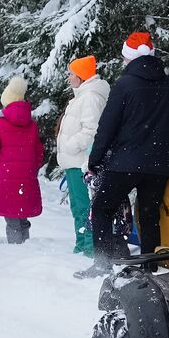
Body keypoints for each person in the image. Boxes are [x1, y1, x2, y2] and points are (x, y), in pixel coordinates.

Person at [79, 31, 169, 277]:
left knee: (101, 209)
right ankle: (150, 266)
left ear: (128, 59)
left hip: (124, 163)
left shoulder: (125, 85)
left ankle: (102, 262)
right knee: (150, 215)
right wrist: (166, 152)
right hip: (158, 166)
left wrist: (95, 160)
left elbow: (107, 127)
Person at [55, 55, 109, 256]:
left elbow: (91, 130)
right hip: (73, 161)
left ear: (81, 76)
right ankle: (81, 244)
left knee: (85, 206)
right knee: (78, 206)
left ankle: (89, 247)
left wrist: (69, 145)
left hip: (81, 161)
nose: (69, 78)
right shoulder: (81, 96)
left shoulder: (90, 98)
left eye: (71, 74)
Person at [0, 76, 43, 244]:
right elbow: (38, 151)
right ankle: (26, 246)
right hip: (27, 176)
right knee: (22, 214)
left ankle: (16, 250)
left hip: (6, 176)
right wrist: (32, 168)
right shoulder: (32, 125)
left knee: (11, 216)